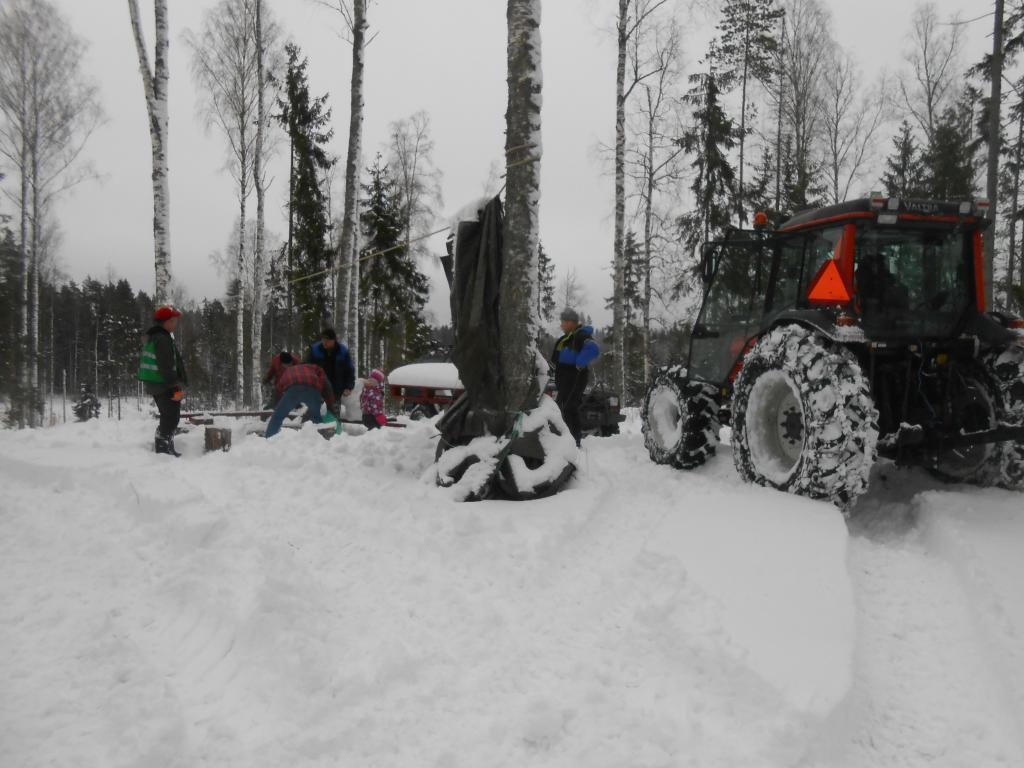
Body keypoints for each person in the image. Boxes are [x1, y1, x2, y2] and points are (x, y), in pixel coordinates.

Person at [138, 305, 188, 456]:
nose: (176, 323)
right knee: (172, 416)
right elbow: (166, 366)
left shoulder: (156, 336)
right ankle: (163, 449)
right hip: (164, 385)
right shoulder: (162, 339)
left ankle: (166, 446)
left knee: (169, 416)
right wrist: (174, 386)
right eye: (173, 320)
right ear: (166, 322)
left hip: (157, 384)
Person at [550, 308, 600, 446]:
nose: (561, 325)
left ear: (571, 322)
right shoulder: (567, 338)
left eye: (563, 322)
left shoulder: (580, 336)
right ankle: (566, 440)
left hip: (574, 377)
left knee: (569, 408)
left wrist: (580, 362)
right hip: (564, 378)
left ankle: (573, 442)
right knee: (562, 407)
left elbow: (594, 349)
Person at [264, 356, 337, 438]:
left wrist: (277, 406)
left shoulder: (288, 370)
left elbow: (278, 389)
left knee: (277, 416)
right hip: (312, 390)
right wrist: (331, 405)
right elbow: (327, 385)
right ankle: (319, 439)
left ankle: (269, 438)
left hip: (292, 391)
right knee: (316, 416)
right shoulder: (315, 368)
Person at [305, 327, 356, 401]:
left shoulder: (343, 351)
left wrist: (349, 386)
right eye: (323, 340)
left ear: (333, 340)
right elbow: (306, 367)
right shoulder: (315, 350)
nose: (324, 342)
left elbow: (350, 370)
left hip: (337, 389)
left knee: (334, 410)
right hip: (318, 388)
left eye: (327, 340)